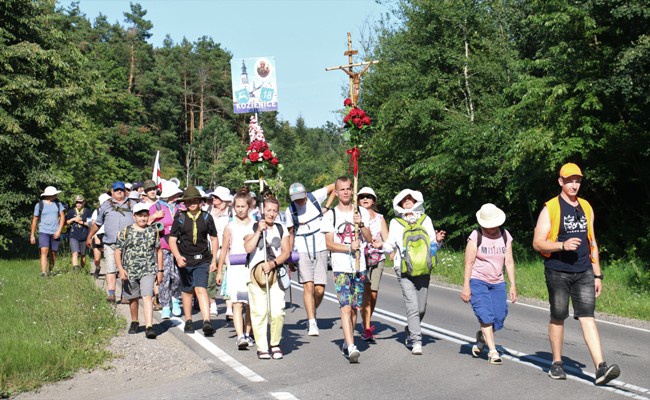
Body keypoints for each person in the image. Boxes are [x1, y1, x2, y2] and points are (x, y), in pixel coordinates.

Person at [532, 163, 620, 385]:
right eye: (569, 180)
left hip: (584, 271)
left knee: (588, 316)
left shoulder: (586, 207)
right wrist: (562, 245)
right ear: (560, 182)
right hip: (558, 271)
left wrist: (598, 274)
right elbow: (537, 242)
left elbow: (592, 242)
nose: (574, 184)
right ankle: (557, 363)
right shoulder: (550, 208)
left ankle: (601, 368)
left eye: (577, 180)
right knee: (558, 316)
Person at [385, 189, 446, 355]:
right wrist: (380, 246)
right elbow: (390, 245)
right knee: (412, 306)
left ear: (416, 201)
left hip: (424, 268)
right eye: (404, 199)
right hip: (402, 268)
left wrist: (438, 241)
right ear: (399, 203)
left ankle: (409, 329)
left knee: (421, 308)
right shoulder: (395, 223)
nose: (407, 201)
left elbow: (432, 245)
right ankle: (416, 341)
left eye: (410, 198)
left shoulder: (426, 220)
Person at [321, 176, 372, 363]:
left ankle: (347, 339)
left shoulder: (361, 213)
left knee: (355, 308)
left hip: (359, 267)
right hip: (341, 267)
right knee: (345, 306)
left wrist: (361, 224)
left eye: (348, 189)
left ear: (352, 191)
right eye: (341, 189)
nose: (345, 192)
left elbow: (368, 238)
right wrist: (349, 248)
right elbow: (329, 243)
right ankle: (351, 346)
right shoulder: (331, 215)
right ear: (336, 192)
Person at [461, 203, 516, 365]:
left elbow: (510, 262)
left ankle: (482, 337)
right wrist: (466, 286)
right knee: (486, 315)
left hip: (498, 282)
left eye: (494, 225)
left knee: (499, 317)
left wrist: (513, 285)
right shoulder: (475, 236)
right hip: (478, 281)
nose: (491, 229)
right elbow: (469, 263)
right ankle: (493, 351)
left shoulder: (505, 236)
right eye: (488, 226)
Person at [285, 181, 335, 336]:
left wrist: (327, 206)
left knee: (319, 289)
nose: (299, 201)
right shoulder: (290, 210)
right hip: (302, 248)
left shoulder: (315, 197)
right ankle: (312, 321)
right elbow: (291, 234)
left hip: (320, 246)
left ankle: (312, 311)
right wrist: (290, 258)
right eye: (296, 198)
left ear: (306, 193)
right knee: (308, 286)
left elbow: (335, 186)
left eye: (301, 197)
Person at [244, 196, 291, 359]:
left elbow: (286, 252)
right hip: (256, 276)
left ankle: (275, 343)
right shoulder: (253, 225)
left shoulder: (281, 229)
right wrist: (258, 231)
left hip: (275, 274)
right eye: (269, 210)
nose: (271, 214)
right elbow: (248, 247)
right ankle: (262, 347)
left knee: (278, 311)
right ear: (263, 210)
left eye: (274, 211)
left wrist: (272, 264)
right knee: (259, 312)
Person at [169, 186, 218, 336]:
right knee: (187, 290)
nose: (192, 203)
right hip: (185, 259)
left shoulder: (206, 217)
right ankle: (189, 320)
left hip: (202, 259)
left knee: (201, 288)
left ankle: (206, 321)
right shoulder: (180, 218)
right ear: (185, 203)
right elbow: (172, 239)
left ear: (200, 201)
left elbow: (214, 238)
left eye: (195, 200)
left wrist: (214, 259)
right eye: (189, 201)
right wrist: (177, 256)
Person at [114, 203, 163, 339]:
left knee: (148, 296)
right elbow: (118, 251)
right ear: (134, 216)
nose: (143, 218)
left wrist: (160, 270)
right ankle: (135, 321)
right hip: (130, 270)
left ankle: (149, 326)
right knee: (133, 298)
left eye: (145, 215)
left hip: (148, 269)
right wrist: (120, 269)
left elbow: (158, 251)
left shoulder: (153, 231)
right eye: (140, 215)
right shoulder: (127, 231)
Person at [87, 182, 138, 303]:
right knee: (111, 268)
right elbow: (98, 223)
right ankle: (111, 293)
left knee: (127, 269)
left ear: (125, 191)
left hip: (129, 243)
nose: (119, 192)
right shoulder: (106, 205)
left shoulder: (133, 204)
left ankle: (125, 295)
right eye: (117, 190)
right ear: (112, 191)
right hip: (111, 243)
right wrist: (90, 236)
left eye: (121, 190)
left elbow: (141, 220)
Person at [216, 190, 255, 349]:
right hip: (235, 268)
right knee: (237, 303)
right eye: (237, 206)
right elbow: (224, 249)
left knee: (251, 304)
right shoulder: (229, 227)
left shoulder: (255, 225)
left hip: (251, 268)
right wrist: (219, 271)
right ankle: (240, 336)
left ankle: (248, 333)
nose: (240, 209)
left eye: (243, 206)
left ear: (249, 207)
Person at [357, 187, 388, 342]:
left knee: (373, 294)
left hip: (378, 258)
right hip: (361, 258)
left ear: (374, 200)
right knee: (366, 293)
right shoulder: (354, 216)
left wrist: (381, 244)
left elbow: (387, 239)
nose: (365, 199)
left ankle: (366, 319)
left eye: (368, 196)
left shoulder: (380, 218)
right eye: (362, 196)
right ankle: (367, 327)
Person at [150, 180, 183, 319]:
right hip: (162, 246)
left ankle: (175, 298)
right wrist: (155, 217)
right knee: (163, 277)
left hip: (179, 246)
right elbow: (146, 223)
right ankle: (165, 305)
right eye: (175, 194)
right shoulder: (155, 207)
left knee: (177, 276)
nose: (177, 196)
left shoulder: (181, 207)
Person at [207, 186, 232, 317]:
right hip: (210, 249)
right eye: (214, 197)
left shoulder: (231, 213)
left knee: (227, 278)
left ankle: (229, 307)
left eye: (217, 197)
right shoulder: (208, 210)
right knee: (210, 278)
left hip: (226, 250)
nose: (214, 199)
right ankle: (212, 304)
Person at [30, 186, 66, 277]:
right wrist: (32, 235)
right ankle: (43, 272)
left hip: (55, 232)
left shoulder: (58, 204)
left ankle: (50, 270)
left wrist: (59, 231)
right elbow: (34, 220)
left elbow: (62, 217)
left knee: (53, 253)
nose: (56, 195)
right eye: (55, 194)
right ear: (50, 195)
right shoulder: (39, 205)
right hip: (44, 231)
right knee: (44, 250)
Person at [66, 195, 92, 272]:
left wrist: (80, 222)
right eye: (77, 202)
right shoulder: (71, 211)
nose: (78, 204)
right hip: (73, 235)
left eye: (80, 202)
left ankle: (82, 270)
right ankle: (76, 270)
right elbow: (66, 222)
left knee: (83, 254)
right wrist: (73, 219)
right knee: (75, 252)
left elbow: (90, 224)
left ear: (83, 203)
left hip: (84, 235)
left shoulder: (87, 211)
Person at [90, 193, 111, 279]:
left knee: (109, 257)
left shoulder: (113, 210)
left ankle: (110, 273)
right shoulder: (97, 211)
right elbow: (93, 224)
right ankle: (98, 267)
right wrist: (95, 237)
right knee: (97, 258)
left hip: (108, 234)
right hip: (98, 235)